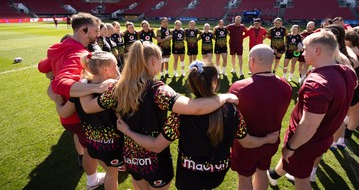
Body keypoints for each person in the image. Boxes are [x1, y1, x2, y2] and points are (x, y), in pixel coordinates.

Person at [81, 42, 238, 190]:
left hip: (131, 157)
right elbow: (195, 108)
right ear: (154, 61)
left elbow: (88, 107)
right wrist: (223, 97)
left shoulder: (117, 88)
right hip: (155, 160)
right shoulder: (158, 90)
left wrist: (83, 82)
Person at [116, 61, 279, 190]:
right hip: (217, 173)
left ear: (192, 85)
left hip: (189, 176)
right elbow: (247, 141)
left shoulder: (180, 114)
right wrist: (267, 139)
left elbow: (157, 146)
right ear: (215, 82)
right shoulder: (232, 110)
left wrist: (128, 131)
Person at [267, 30, 357, 190]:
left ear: (317, 51)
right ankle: (273, 175)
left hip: (306, 141)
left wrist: (291, 147)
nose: (302, 52)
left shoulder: (318, 83)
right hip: (324, 135)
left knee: (302, 180)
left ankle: (276, 173)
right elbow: (353, 82)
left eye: (305, 49)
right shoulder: (347, 71)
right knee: (291, 162)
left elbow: (308, 125)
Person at [38, 12, 115, 189]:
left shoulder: (61, 47)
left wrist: (52, 72)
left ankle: (93, 179)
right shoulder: (78, 53)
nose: (97, 35)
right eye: (95, 31)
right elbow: (60, 82)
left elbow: (42, 67)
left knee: (87, 148)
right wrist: (96, 87)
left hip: (67, 116)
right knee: (92, 151)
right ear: (83, 30)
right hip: (77, 115)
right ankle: (94, 181)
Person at [56, 51, 123, 190]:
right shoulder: (112, 91)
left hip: (92, 144)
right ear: (105, 69)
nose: (117, 68)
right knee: (111, 175)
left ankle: (92, 182)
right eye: (115, 65)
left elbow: (64, 112)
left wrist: (58, 102)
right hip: (111, 145)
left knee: (109, 172)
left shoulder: (81, 90)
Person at [229, 44, 292, 190]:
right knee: (262, 171)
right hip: (271, 141)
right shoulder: (286, 86)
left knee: (244, 177)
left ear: (251, 61)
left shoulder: (239, 88)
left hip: (246, 143)